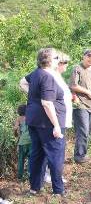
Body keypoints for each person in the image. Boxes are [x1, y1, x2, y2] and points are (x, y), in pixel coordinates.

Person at [23, 48, 66, 195]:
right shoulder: (47, 76)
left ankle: (35, 188)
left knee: (37, 154)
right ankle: (58, 190)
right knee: (55, 155)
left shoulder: (36, 73)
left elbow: (22, 83)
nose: (58, 60)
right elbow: (47, 103)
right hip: (47, 123)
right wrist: (56, 126)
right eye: (56, 57)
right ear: (49, 60)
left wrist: (34, 97)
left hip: (34, 121)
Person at [44, 51, 72, 184]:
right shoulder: (52, 76)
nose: (67, 66)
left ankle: (51, 174)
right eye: (65, 63)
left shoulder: (58, 77)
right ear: (59, 63)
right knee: (56, 149)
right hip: (57, 118)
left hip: (62, 117)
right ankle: (53, 176)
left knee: (57, 148)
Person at [70, 49, 91, 164]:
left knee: (88, 131)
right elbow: (73, 86)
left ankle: (82, 153)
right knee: (83, 131)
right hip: (79, 104)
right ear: (84, 56)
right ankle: (79, 156)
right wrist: (87, 92)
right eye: (88, 56)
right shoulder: (77, 68)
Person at [14, 104, 31, 181]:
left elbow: (15, 128)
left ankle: (19, 176)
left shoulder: (19, 119)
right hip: (31, 141)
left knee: (21, 159)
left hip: (22, 142)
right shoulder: (30, 117)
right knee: (31, 159)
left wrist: (16, 134)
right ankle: (29, 175)